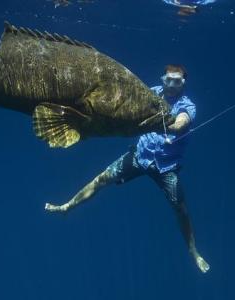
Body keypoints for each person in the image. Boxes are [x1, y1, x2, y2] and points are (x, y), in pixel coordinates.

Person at [45, 65, 210, 273]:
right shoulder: (151, 93)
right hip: (139, 156)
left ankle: (193, 252)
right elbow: (128, 105)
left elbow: (180, 125)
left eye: (176, 82)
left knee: (180, 209)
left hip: (166, 167)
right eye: (167, 80)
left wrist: (157, 124)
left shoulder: (188, 105)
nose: (169, 85)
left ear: (183, 83)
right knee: (102, 178)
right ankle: (67, 206)